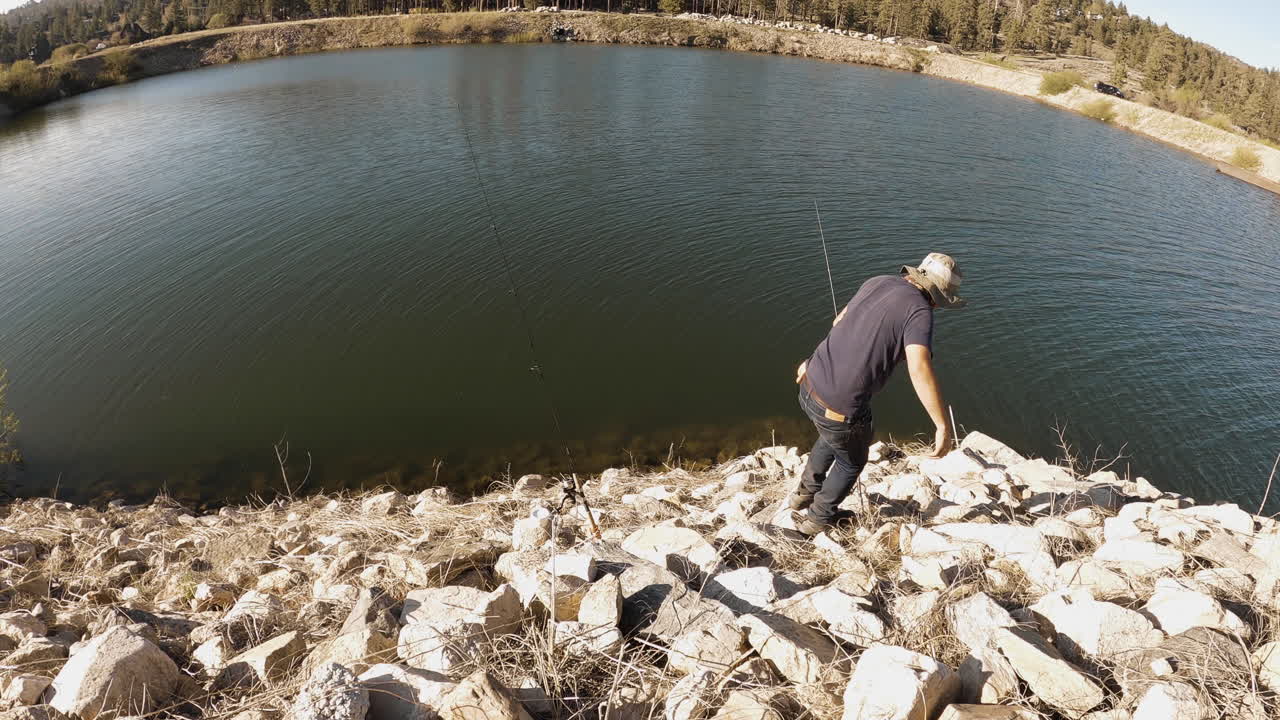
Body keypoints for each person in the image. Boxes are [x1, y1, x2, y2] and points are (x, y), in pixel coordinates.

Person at [790, 253, 966, 536]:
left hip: (809, 381)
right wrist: (942, 426)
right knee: (851, 462)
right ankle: (818, 519)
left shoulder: (878, 281)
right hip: (839, 408)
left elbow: (839, 322)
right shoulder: (920, 312)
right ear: (937, 297)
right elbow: (919, 367)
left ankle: (802, 494)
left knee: (834, 436)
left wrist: (811, 362)